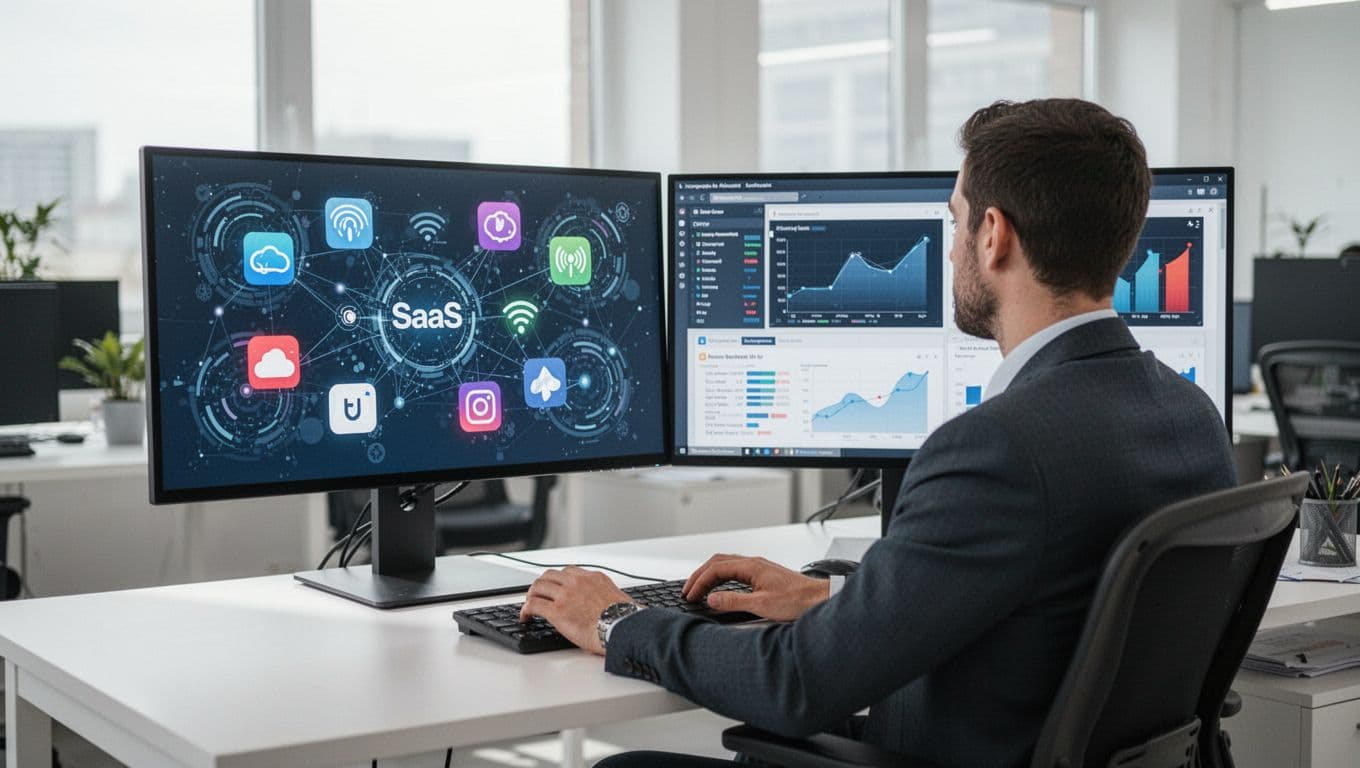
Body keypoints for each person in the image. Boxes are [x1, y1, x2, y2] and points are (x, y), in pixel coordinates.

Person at [519, 98, 1237, 767]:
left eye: (955, 222)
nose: (952, 248)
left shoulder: (999, 447)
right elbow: (1047, 605)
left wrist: (615, 621)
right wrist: (841, 602)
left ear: (993, 237)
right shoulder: (1189, 415)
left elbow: (794, 685)